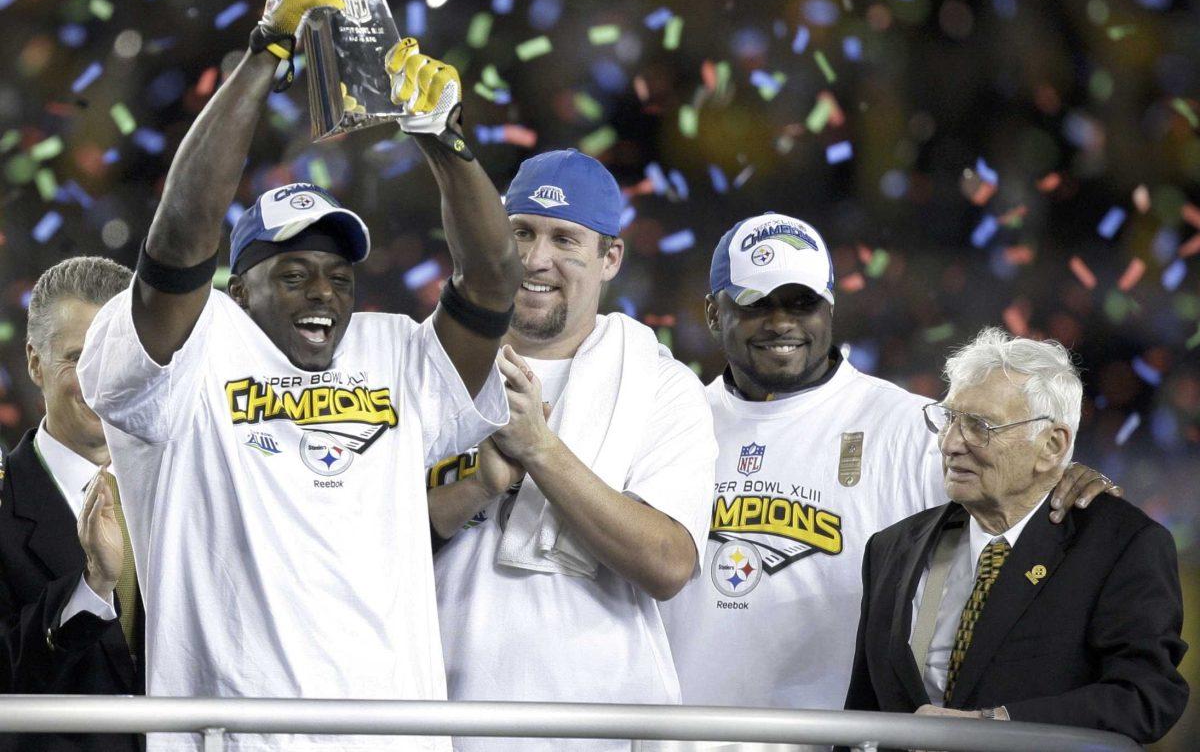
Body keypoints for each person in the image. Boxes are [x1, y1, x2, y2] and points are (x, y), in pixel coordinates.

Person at [77, 0, 522, 752]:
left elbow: (495, 282)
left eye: (339, 274)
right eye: (292, 274)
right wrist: (265, 48)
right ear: (235, 287)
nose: (324, 292)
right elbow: (177, 244)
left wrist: (445, 142)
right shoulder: (192, 352)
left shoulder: (395, 354)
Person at [659, 213, 1121, 736]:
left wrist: (1061, 478)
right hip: (680, 738)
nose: (781, 322)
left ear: (830, 307)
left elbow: (1019, 513)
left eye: (802, 302)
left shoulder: (913, 428)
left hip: (846, 740)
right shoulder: (672, 421)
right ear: (712, 313)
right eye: (756, 303)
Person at [426, 149, 717, 751]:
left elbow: (667, 564)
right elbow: (372, 535)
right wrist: (478, 485)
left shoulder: (660, 386)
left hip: (593, 723)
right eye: (521, 233)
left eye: (565, 239)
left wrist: (540, 449)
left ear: (610, 258)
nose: (536, 259)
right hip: (435, 714)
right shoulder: (429, 363)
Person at [843, 328, 1188, 745]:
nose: (950, 444)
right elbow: (864, 710)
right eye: (949, 418)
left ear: (1052, 446)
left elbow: (1145, 697)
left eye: (980, 426)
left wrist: (997, 724)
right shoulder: (891, 548)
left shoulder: (1121, 545)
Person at [1, 256, 142, 752]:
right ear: (35, 363)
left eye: (116, 359)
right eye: (80, 359)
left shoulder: (183, 490)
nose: (101, 382)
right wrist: (92, 585)